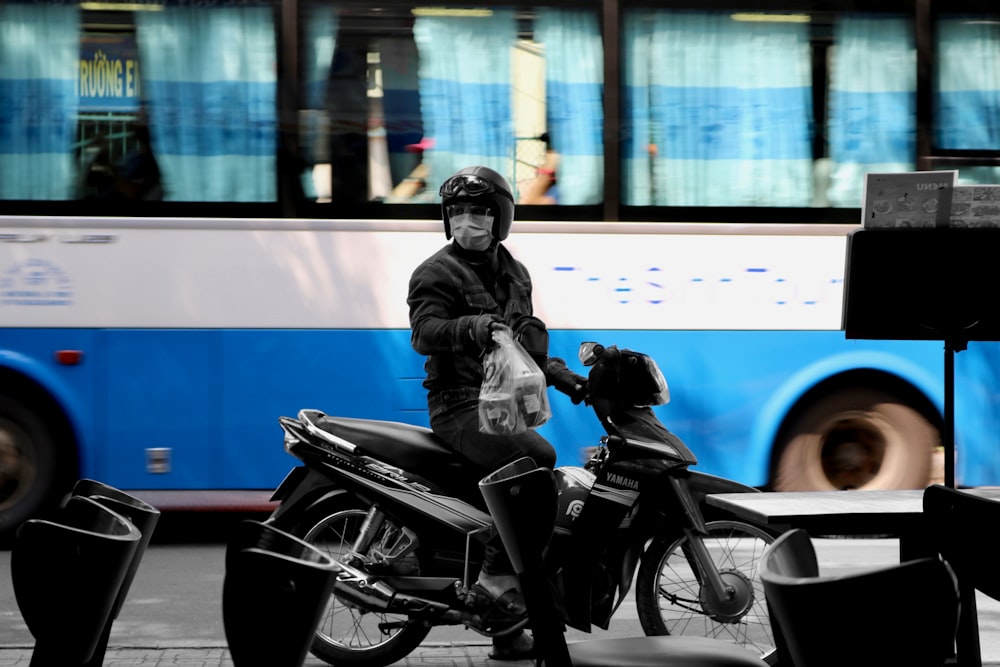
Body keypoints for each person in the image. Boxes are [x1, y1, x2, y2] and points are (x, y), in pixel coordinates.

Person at [407, 165, 586, 660]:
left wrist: (568, 379)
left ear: (500, 218)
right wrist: (474, 327)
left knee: (534, 500)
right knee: (536, 460)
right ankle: (491, 581)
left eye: (479, 212)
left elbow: (522, 344)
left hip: (501, 406)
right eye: (458, 212)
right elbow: (423, 332)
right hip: (458, 403)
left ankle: (508, 632)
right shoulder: (435, 272)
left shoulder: (515, 273)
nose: (468, 221)